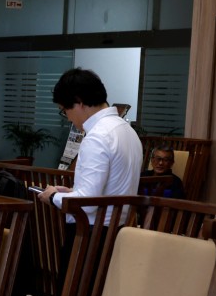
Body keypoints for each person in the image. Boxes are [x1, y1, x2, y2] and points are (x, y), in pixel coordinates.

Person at [38, 67, 142, 234]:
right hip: (119, 230)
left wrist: (52, 196)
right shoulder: (127, 130)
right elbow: (110, 189)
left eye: (65, 110)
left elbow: (87, 203)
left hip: (91, 233)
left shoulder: (97, 136)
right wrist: (74, 192)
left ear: (79, 102)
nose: (68, 118)